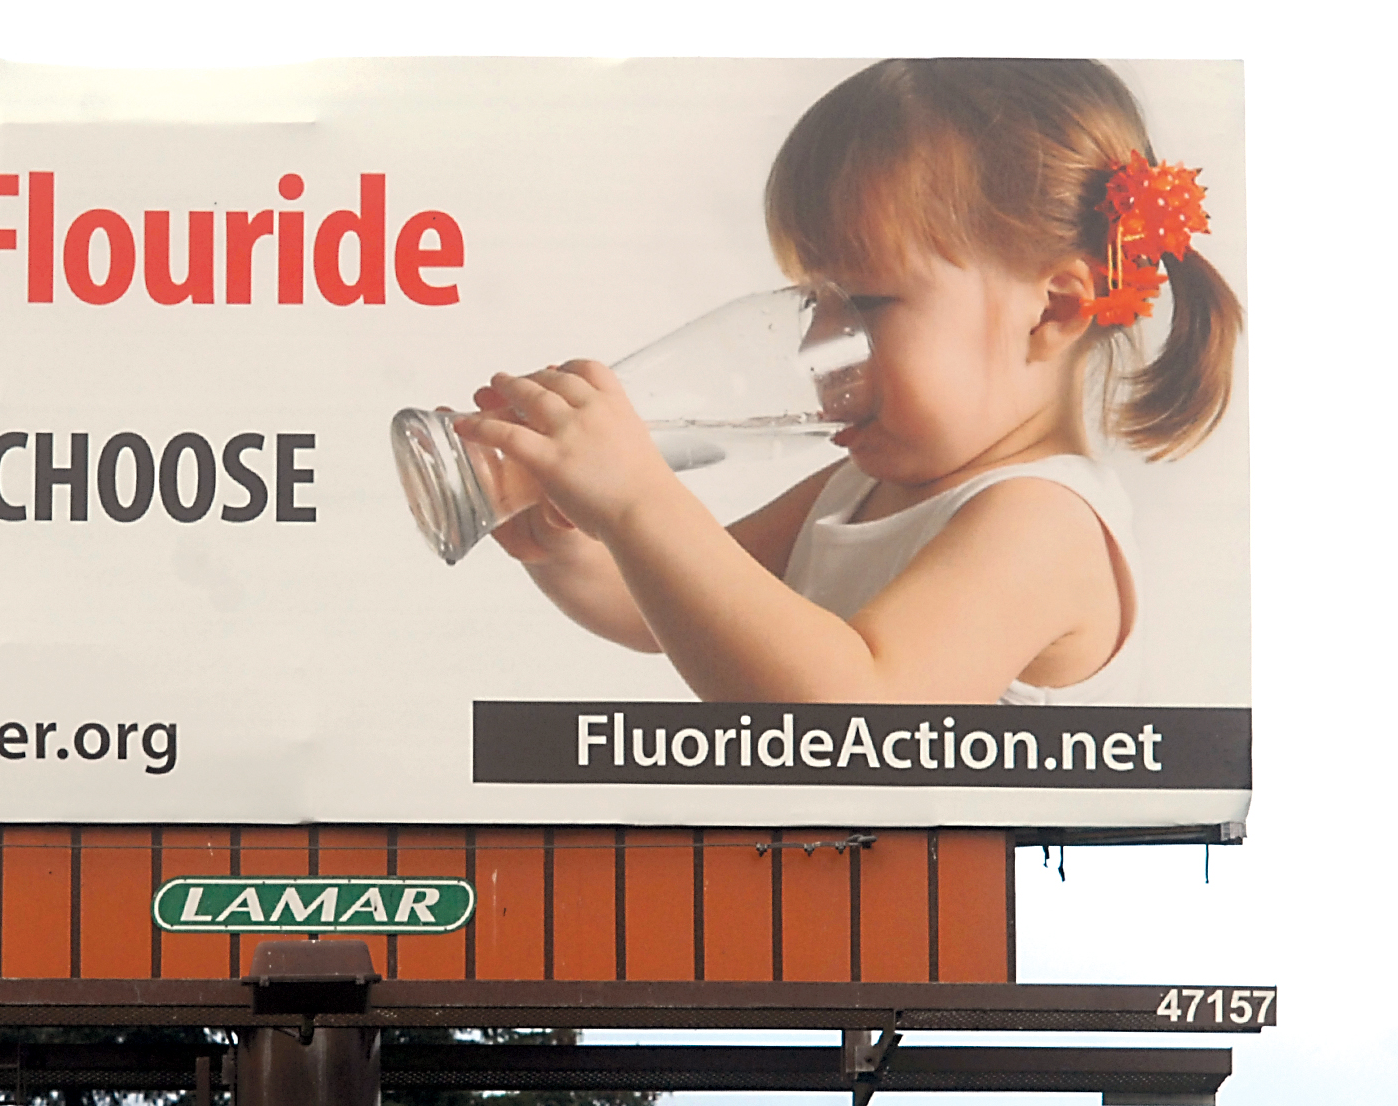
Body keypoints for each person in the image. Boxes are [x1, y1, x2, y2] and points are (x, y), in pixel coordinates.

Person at [456, 59, 1242, 704]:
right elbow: (671, 608)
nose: (816, 346)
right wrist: (567, 548)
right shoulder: (857, 487)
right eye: (811, 303)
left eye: (863, 302)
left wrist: (636, 501)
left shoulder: (1044, 524)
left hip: (939, 894)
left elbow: (849, 716)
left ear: (1052, 311)